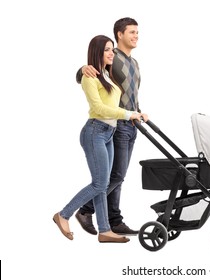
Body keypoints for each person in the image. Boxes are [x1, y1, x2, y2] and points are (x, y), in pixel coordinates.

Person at [53, 34, 143, 243]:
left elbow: (119, 101)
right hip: (95, 131)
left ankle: (105, 230)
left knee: (103, 183)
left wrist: (137, 111)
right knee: (100, 183)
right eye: (107, 50)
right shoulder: (90, 76)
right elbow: (98, 108)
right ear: (97, 52)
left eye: (112, 49)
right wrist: (129, 114)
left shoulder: (107, 75)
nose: (112, 53)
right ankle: (63, 215)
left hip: (109, 132)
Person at [75, 17, 148, 236]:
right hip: (117, 124)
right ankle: (85, 210)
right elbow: (85, 75)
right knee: (115, 175)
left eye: (137, 32)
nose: (136, 36)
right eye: (132, 32)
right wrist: (83, 68)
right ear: (119, 34)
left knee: (119, 175)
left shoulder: (133, 62)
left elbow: (133, 93)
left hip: (132, 123)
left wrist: (138, 114)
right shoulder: (111, 55)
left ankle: (114, 219)